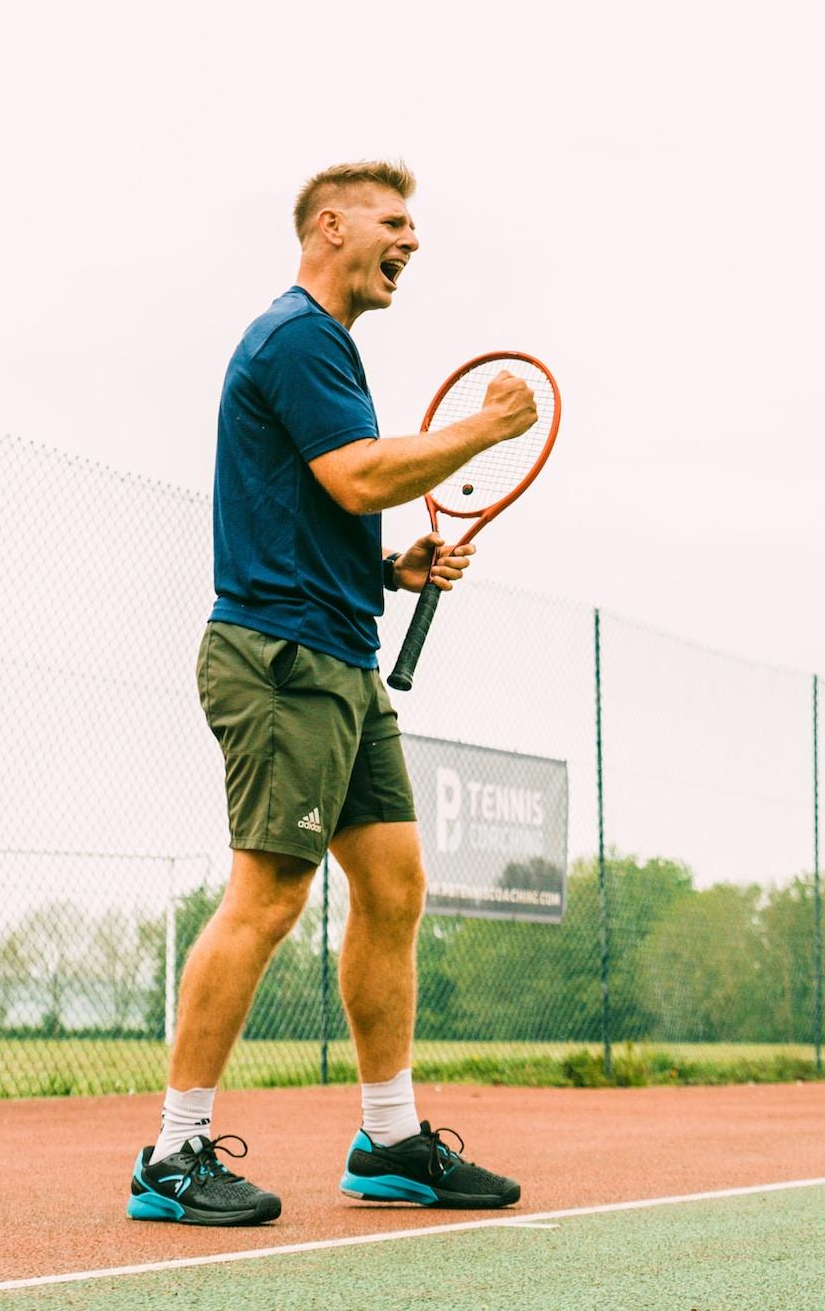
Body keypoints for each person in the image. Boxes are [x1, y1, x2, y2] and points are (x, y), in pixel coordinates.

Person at [127, 160, 537, 1225]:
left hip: (341, 654)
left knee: (394, 887)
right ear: (330, 226)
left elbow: (322, 504)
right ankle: (171, 1153)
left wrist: (389, 570)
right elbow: (358, 476)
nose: (412, 240)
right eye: (393, 221)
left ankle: (391, 1140)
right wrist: (488, 428)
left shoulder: (329, 350)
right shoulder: (297, 337)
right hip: (282, 659)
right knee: (269, 894)